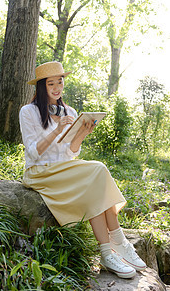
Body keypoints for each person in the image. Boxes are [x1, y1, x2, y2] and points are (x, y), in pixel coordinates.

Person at [19, 61, 146, 279]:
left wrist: (82, 133)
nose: (57, 88)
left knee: (95, 177)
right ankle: (118, 241)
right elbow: (32, 153)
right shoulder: (28, 112)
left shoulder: (70, 111)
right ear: (41, 87)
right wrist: (57, 130)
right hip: (40, 172)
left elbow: (70, 153)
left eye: (60, 82)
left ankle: (108, 251)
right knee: (98, 169)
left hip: (63, 168)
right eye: (51, 84)